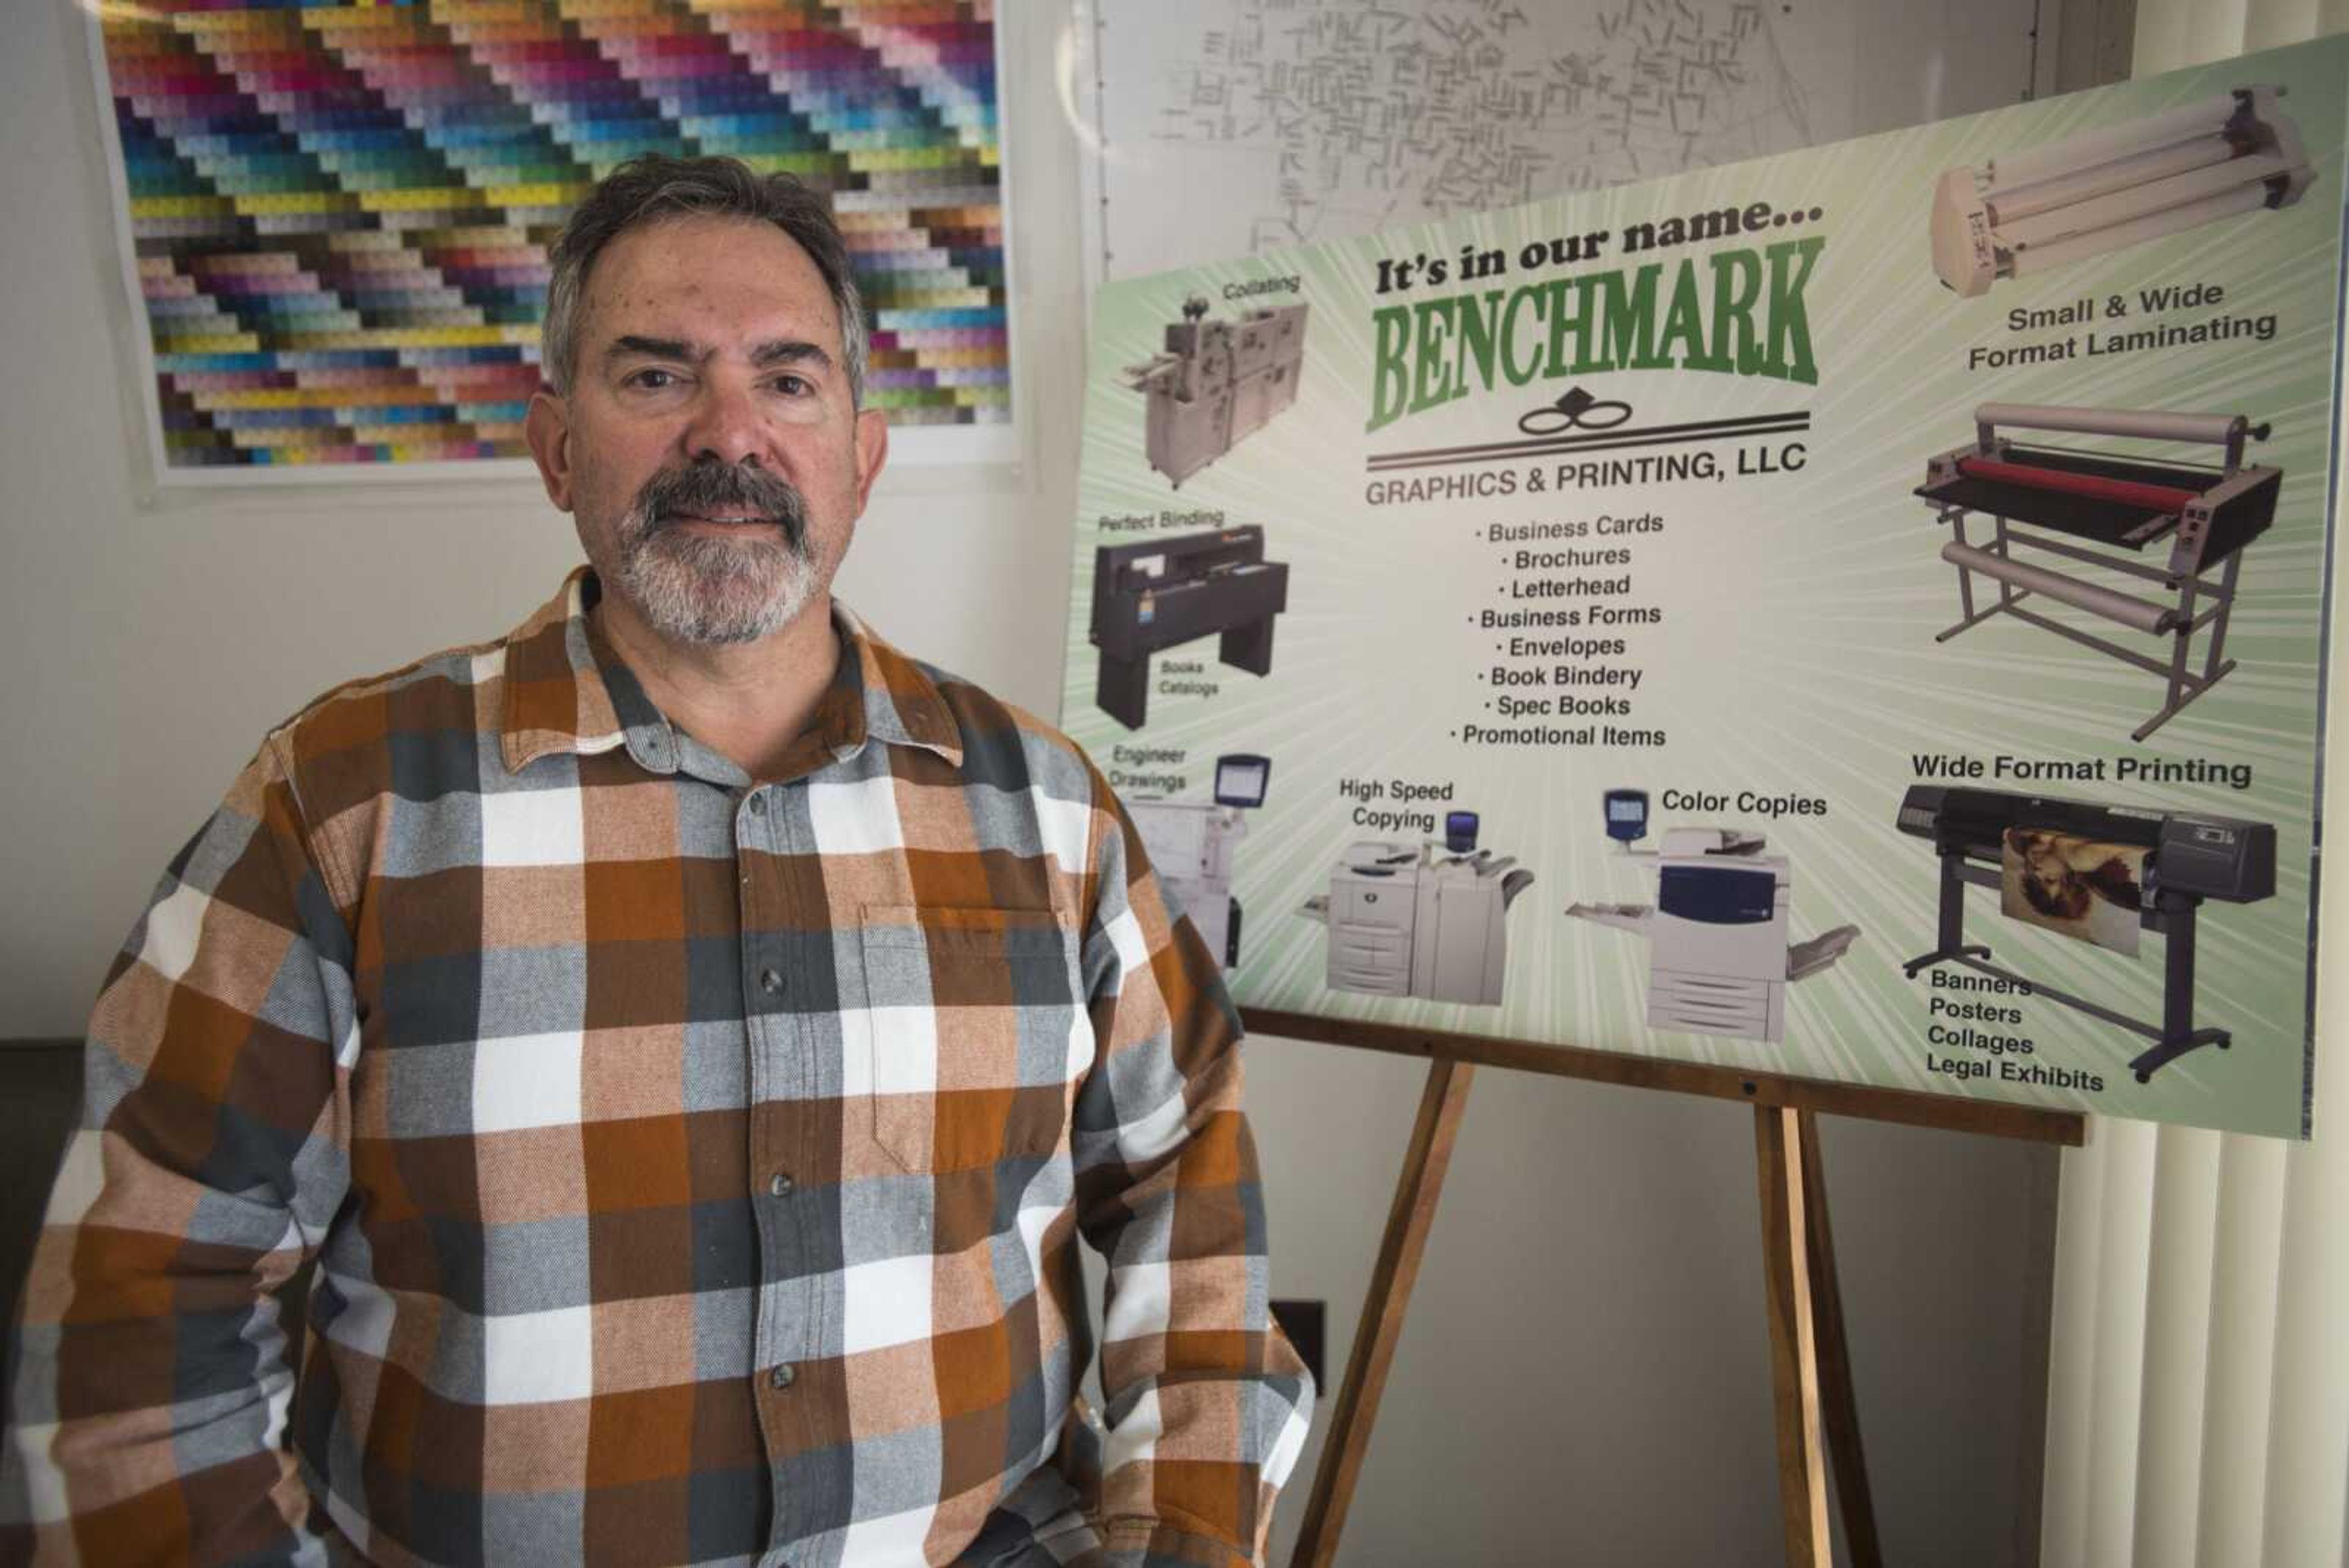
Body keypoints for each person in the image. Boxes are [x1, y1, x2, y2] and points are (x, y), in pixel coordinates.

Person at [1, 155, 1311, 1568]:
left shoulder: (1046, 812)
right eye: (655, 375)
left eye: (789, 379)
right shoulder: (340, 809)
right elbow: (137, 1319)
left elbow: (1192, 1172)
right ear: (558, 448)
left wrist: (1176, 1530)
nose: (727, 434)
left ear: (861, 462)